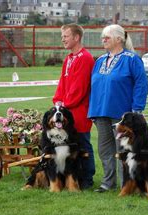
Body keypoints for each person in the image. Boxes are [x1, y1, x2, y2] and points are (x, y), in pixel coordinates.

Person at [88, 24, 148, 193]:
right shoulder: (99, 60)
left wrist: (136, 109)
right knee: (104, 148)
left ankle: (126, 183)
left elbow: (141, 84)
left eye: (107, 37)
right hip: (101, 112)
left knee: (123, 149)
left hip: (123, 114)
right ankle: (108, 183)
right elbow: (94, 85)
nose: (103, 40)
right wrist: (93, 111)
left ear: (119, 39)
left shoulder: (131, 59)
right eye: (103, 37)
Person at [52, 23, 95, 190]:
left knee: (83, 145)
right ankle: (72, 177)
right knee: (68, 146)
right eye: (62, 36)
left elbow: (80, 87)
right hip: (65, 111)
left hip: (78, 111)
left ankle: (87, 179)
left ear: (76, 37)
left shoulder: (85, 58)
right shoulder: (69, 58)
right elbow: (63, 83)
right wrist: (58, 101)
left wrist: (65, 104)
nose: (63, 39)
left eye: (66, 36)